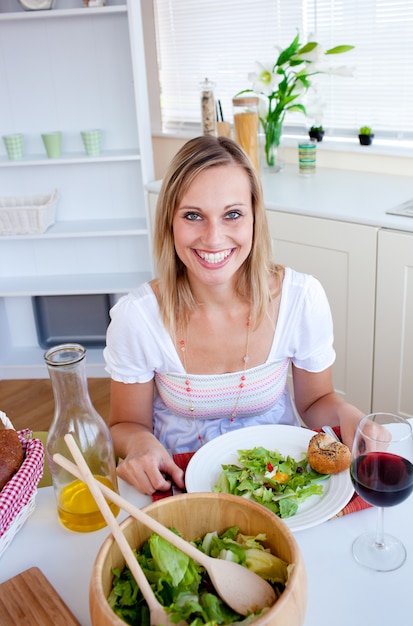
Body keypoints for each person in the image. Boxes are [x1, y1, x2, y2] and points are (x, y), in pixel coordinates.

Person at [104, 135, 364, 495]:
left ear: (255, 219)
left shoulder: (301, 299)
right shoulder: (137, 318)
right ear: (170, 223)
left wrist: (348, 416)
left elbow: (315, 402)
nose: (213, 238)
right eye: (193, 215)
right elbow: (125, 424)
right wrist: (137, 445)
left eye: (233, 214)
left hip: (281, 481)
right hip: (180, 481)